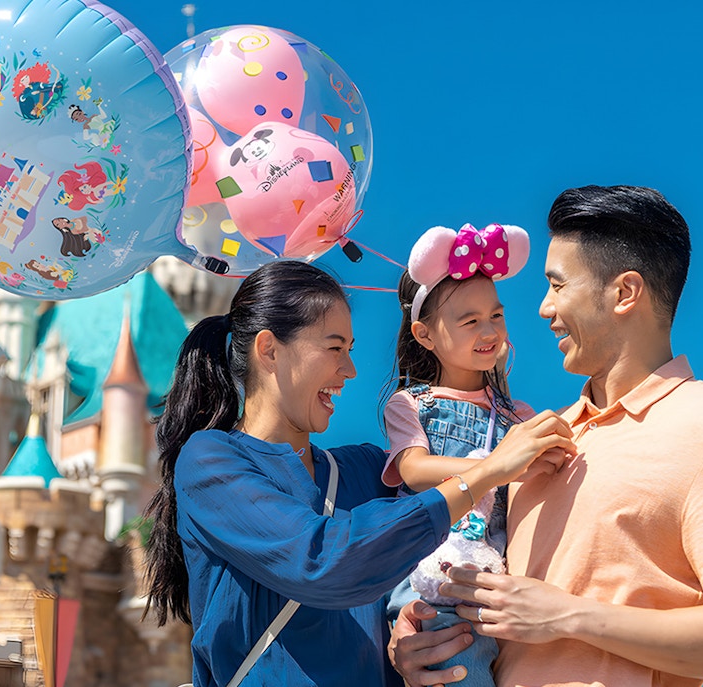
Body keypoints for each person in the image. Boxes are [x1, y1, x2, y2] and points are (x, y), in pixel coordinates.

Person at [390, 185, 703, 687]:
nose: (542, 309)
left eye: (558, 286)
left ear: (624, 292)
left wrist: (568, 616)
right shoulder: (533, 438)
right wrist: (415, 635)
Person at [142, 260, 575, 687]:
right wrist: (488, 470)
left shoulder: (369, 468)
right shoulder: (210, 461)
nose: (349, 370)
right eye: (334, 348)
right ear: (269, 349)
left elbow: (405, 579)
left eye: (350, 350)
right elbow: (322, 562)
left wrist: (404, 637)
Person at [382, 223, 539, 686]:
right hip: (437, 579)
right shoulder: (412, 404)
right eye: (470, 321)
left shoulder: (519, 414)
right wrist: (498, 467)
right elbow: (412, 470)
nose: (489, 330)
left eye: (496, 315)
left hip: (498, 582)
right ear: (424, 335)